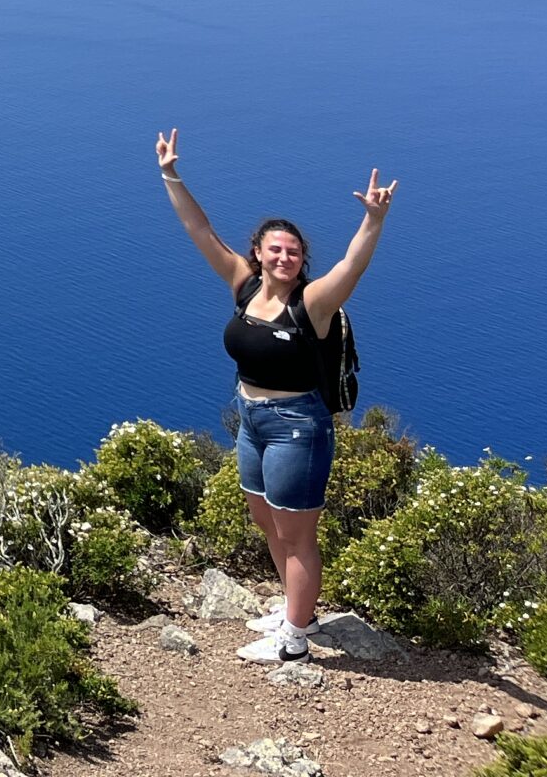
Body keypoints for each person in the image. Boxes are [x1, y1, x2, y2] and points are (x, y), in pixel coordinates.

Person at [155, 126, 397, 664]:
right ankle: (297, 609)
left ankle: (294, 640)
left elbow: (351, 265)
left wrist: (372, 220)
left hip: (297, 425)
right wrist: (171, 174)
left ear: (301, 259)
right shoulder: (242, 285)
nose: (284, 257)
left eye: (293, 251)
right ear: (258, 254)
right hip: (251, 417)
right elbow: (200, 230)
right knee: (266, 520)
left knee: (296, 533)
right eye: (275, 249)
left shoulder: (312, 304)